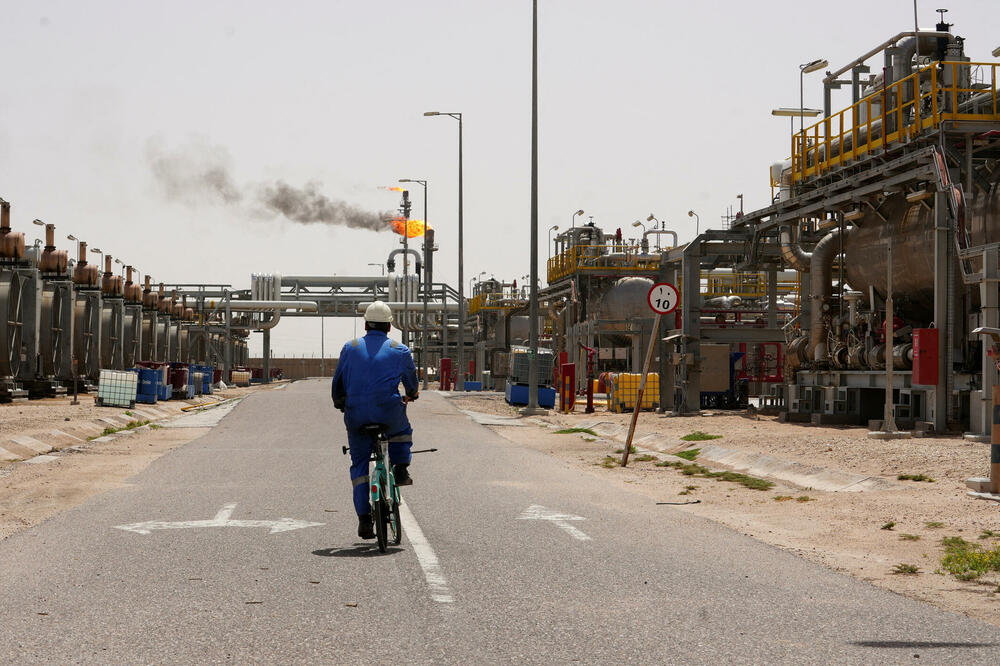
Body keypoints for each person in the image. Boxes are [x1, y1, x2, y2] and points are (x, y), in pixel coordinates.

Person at [332, 300, 419, 540]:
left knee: (359, 465)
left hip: (356, 413)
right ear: (390, 327)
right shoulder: (399, 349)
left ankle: (364, 521)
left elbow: (338, 383)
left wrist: (340, 402)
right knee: (402, 431)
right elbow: (411, 381)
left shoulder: (349, 347)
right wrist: (411, 394)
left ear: (366, 324)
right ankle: (401, 469)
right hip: (388, 410)